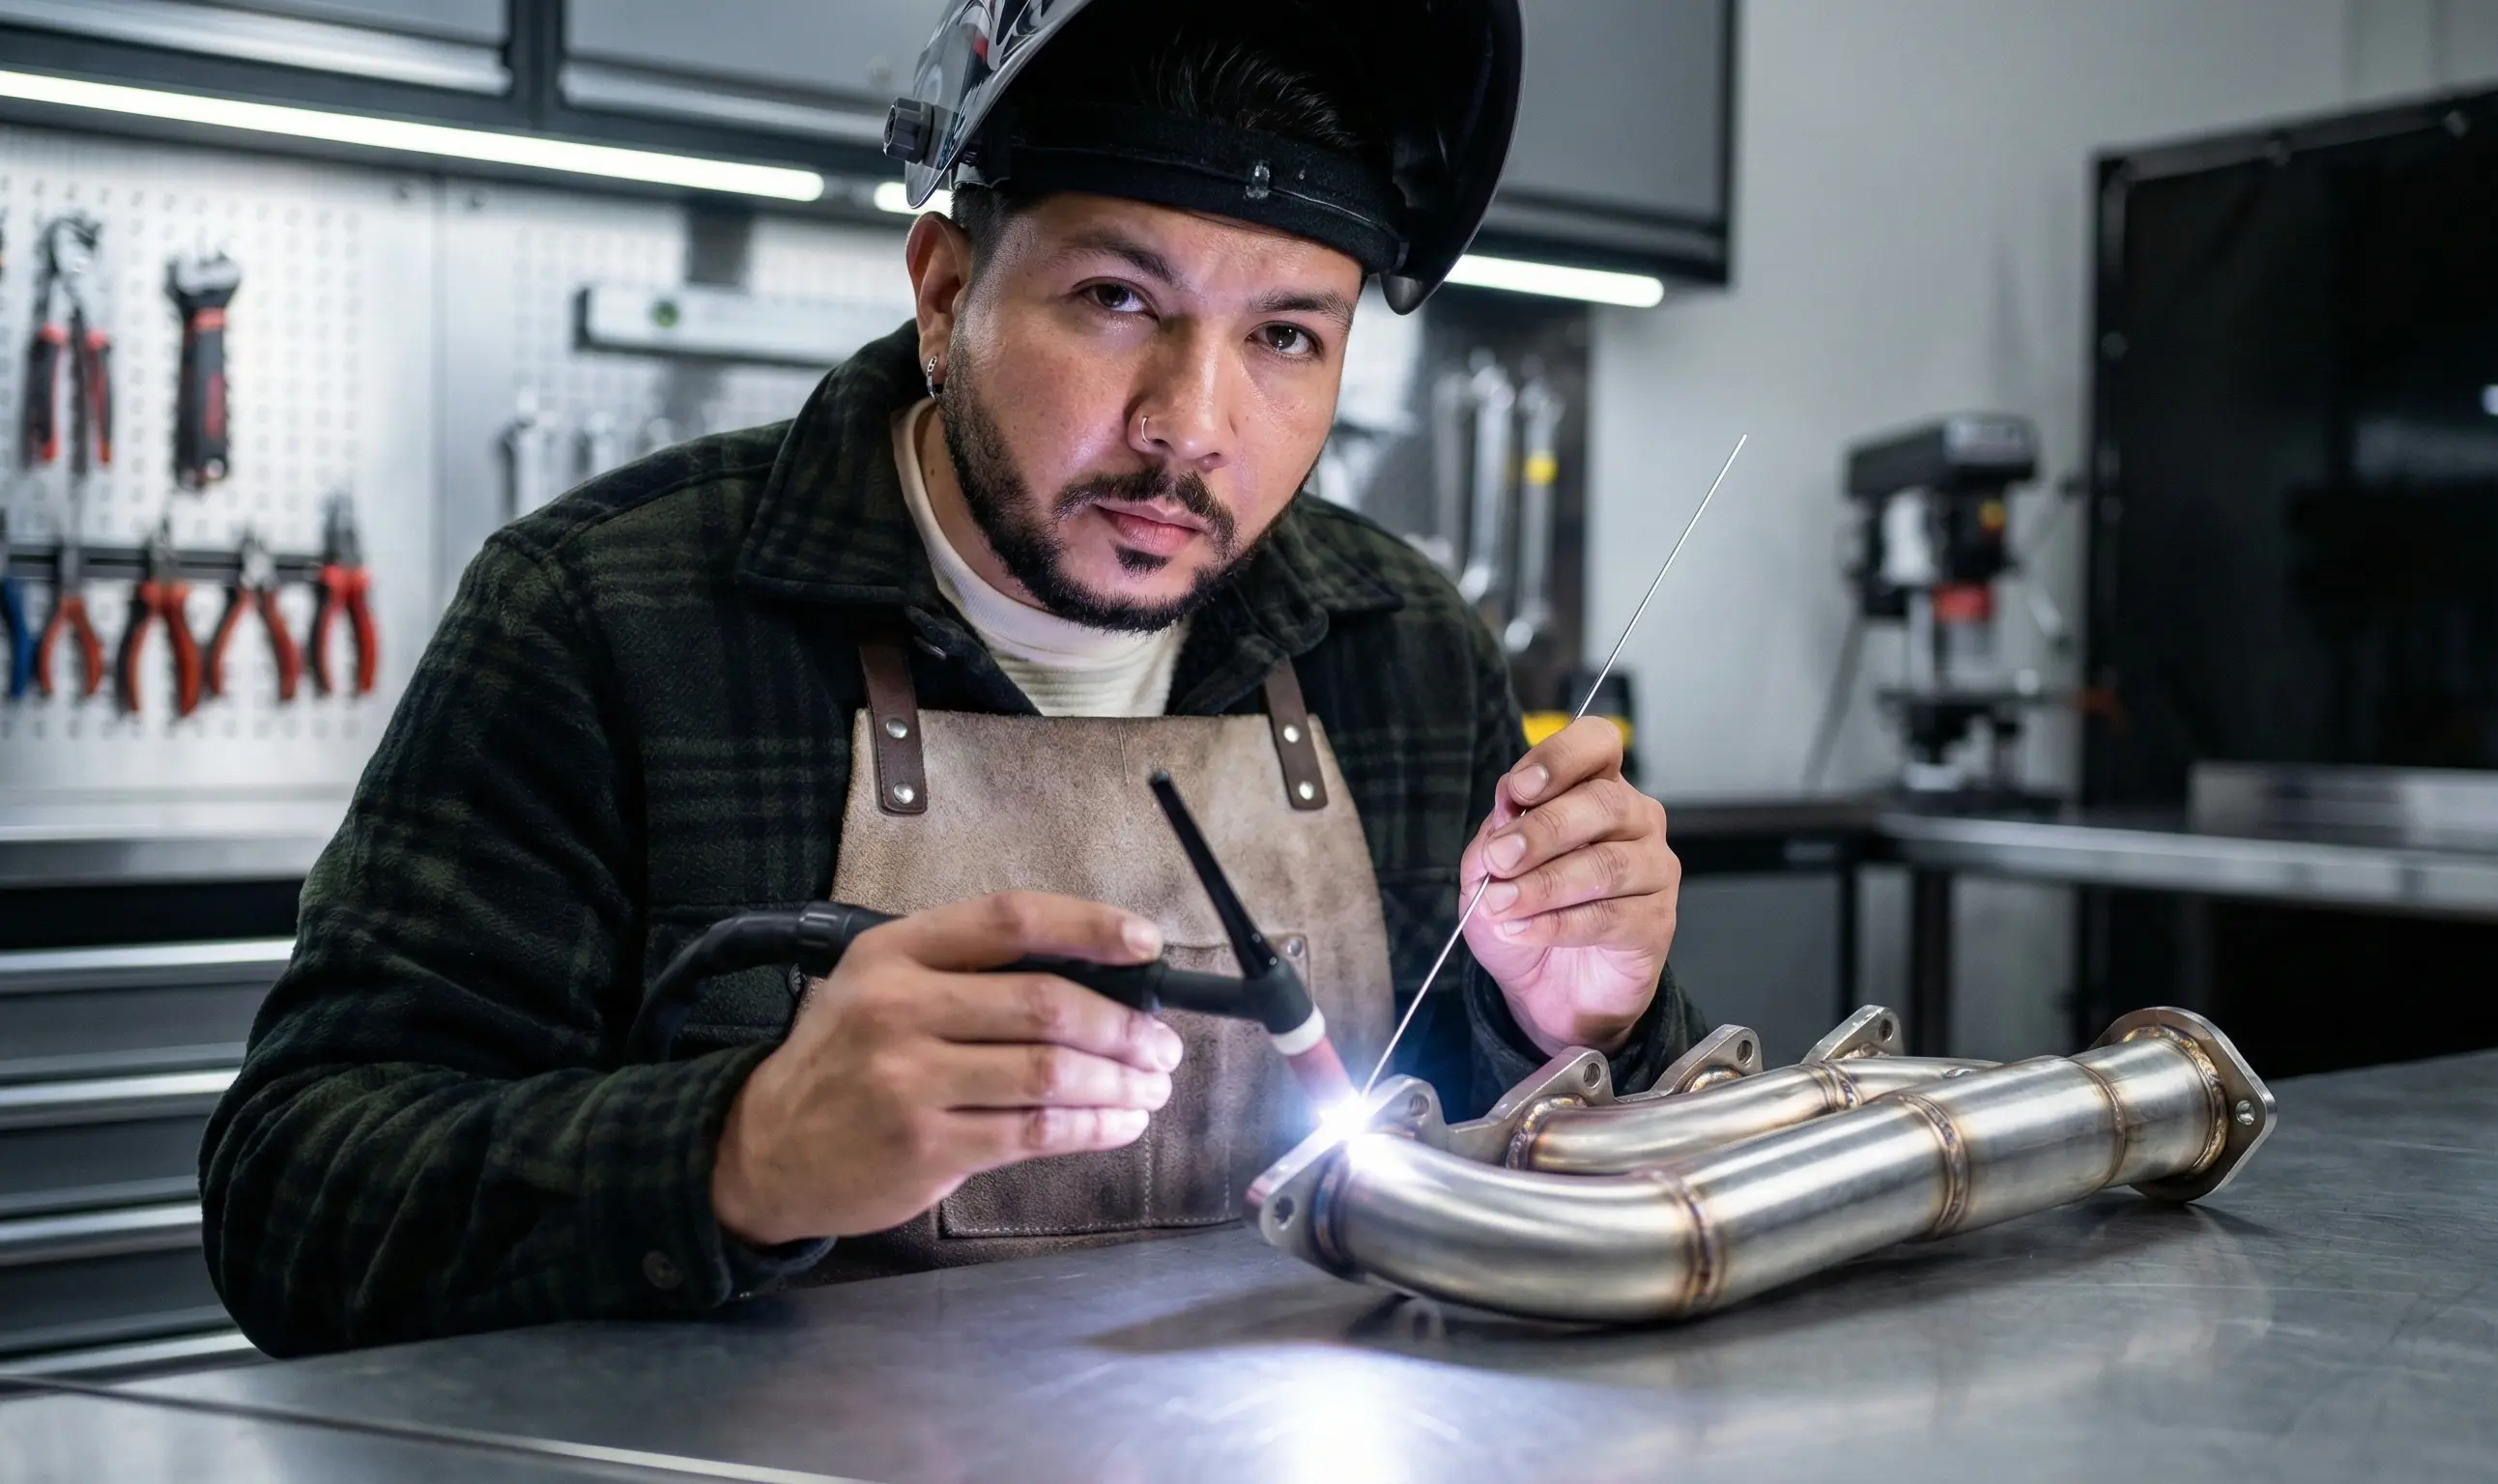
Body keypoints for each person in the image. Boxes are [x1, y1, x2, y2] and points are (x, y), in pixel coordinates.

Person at [202, 0, 1701, 1356]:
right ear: (943, 291)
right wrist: (740, 1150)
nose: (1192, 423)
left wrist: (1570, 1032)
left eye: (1287, 337)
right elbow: (293, 1199)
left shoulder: (1401, 644)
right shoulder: (607, 617)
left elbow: (1548, 1213)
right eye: (1118, 299)